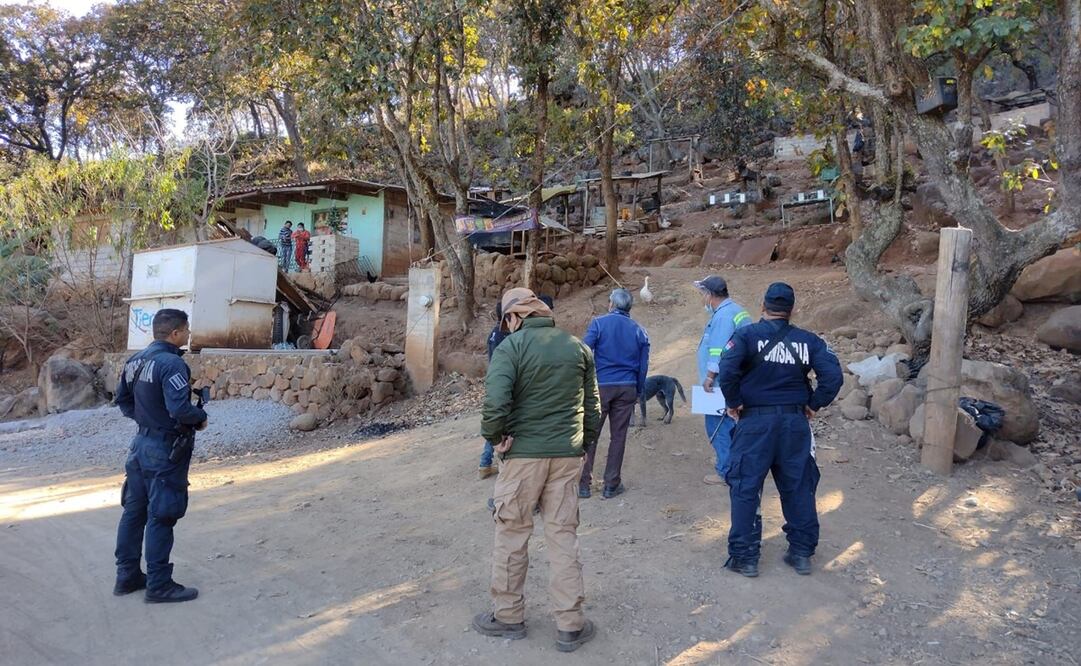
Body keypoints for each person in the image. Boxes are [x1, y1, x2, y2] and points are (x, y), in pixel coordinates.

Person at [473, 288, 601, 653]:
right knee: (563, 537)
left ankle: (508, 617)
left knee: (512, 535)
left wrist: (495, 439)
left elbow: (495, 404)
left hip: (523, 459)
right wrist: (581, 447)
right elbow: (592, 407)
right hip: (566, 457)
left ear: (515, 317)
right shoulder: (578, 347)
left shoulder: (510, 349)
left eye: (506, 321)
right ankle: (570, 625)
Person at [715, 283, 843, 578]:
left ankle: (745, 558)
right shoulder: (808, 341)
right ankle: (801, 554)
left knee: (746, 487)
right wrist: (814, 404)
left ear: (763, 306)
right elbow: (833, 376)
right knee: (799, 486)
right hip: (793, 424)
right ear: (792, 310)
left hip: (754, 423)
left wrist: (733, 403)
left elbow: (727, 370)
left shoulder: (746, 335)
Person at [113, 309, 208, 603]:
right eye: (187, 330)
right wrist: (199, 417)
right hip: (165, 448)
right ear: (176, 333)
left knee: (134, 511)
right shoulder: (172, 364)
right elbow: (180, 409)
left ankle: (127, 576)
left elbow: (123, 401)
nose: (189, 334)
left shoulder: (135, 361)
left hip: (140, 444)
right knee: (162, 513)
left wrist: (147, 420)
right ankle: (159, 583)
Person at [578, 288, 649, 499]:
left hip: (600, 387)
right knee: (618, 437)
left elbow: (583, 352)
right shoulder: (639, 330)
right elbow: (643, 366)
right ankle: (611, 484)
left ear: (611, 304)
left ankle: (583, 484)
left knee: (590, 434)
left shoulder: (599, 324)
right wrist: (638, 390)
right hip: (627, 387)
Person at [480, 296, 557, 480]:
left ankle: (485, 463)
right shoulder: (511, 337)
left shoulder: (493, 334)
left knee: (498, 423)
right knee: (505, 426)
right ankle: (501, 467)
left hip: (497, 380)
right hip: (508, 383)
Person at [695, 275, 752, 485]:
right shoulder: (737, 311)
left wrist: (710, 377)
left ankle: (726, 470)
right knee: (734, 425)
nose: (702, 299)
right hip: (739, 380)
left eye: (702, 294)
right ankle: (734, 463)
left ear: (710, 295)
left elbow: (718, 351)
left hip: (721, 384)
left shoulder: (723, 317)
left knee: (717, 426)